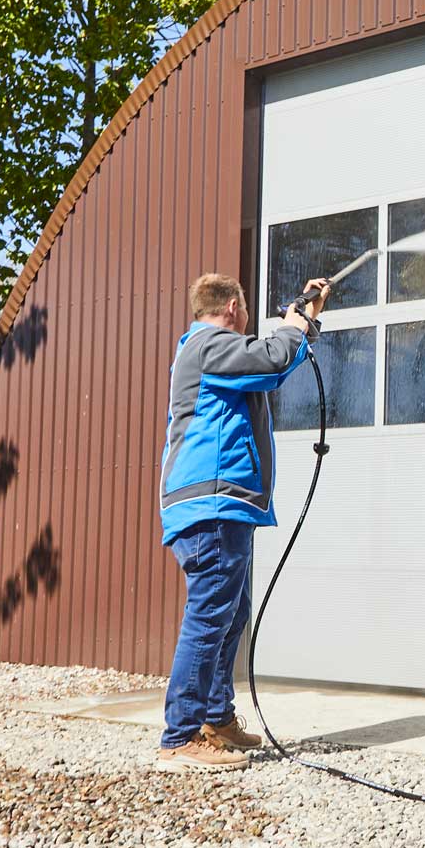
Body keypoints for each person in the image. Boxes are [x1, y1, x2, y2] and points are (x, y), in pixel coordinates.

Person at [155, 271, 327, 772]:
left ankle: (215, 718)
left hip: (222, 505)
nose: (248, 316)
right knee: (210, 614)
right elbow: (271, 361)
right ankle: (179, 737)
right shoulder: (209, 345)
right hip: (211, 503)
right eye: (245, 307)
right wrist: (295, 324)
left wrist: (301, 324)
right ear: (232, 306)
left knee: (231, 612)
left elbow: (271, 358)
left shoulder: (214, 351)